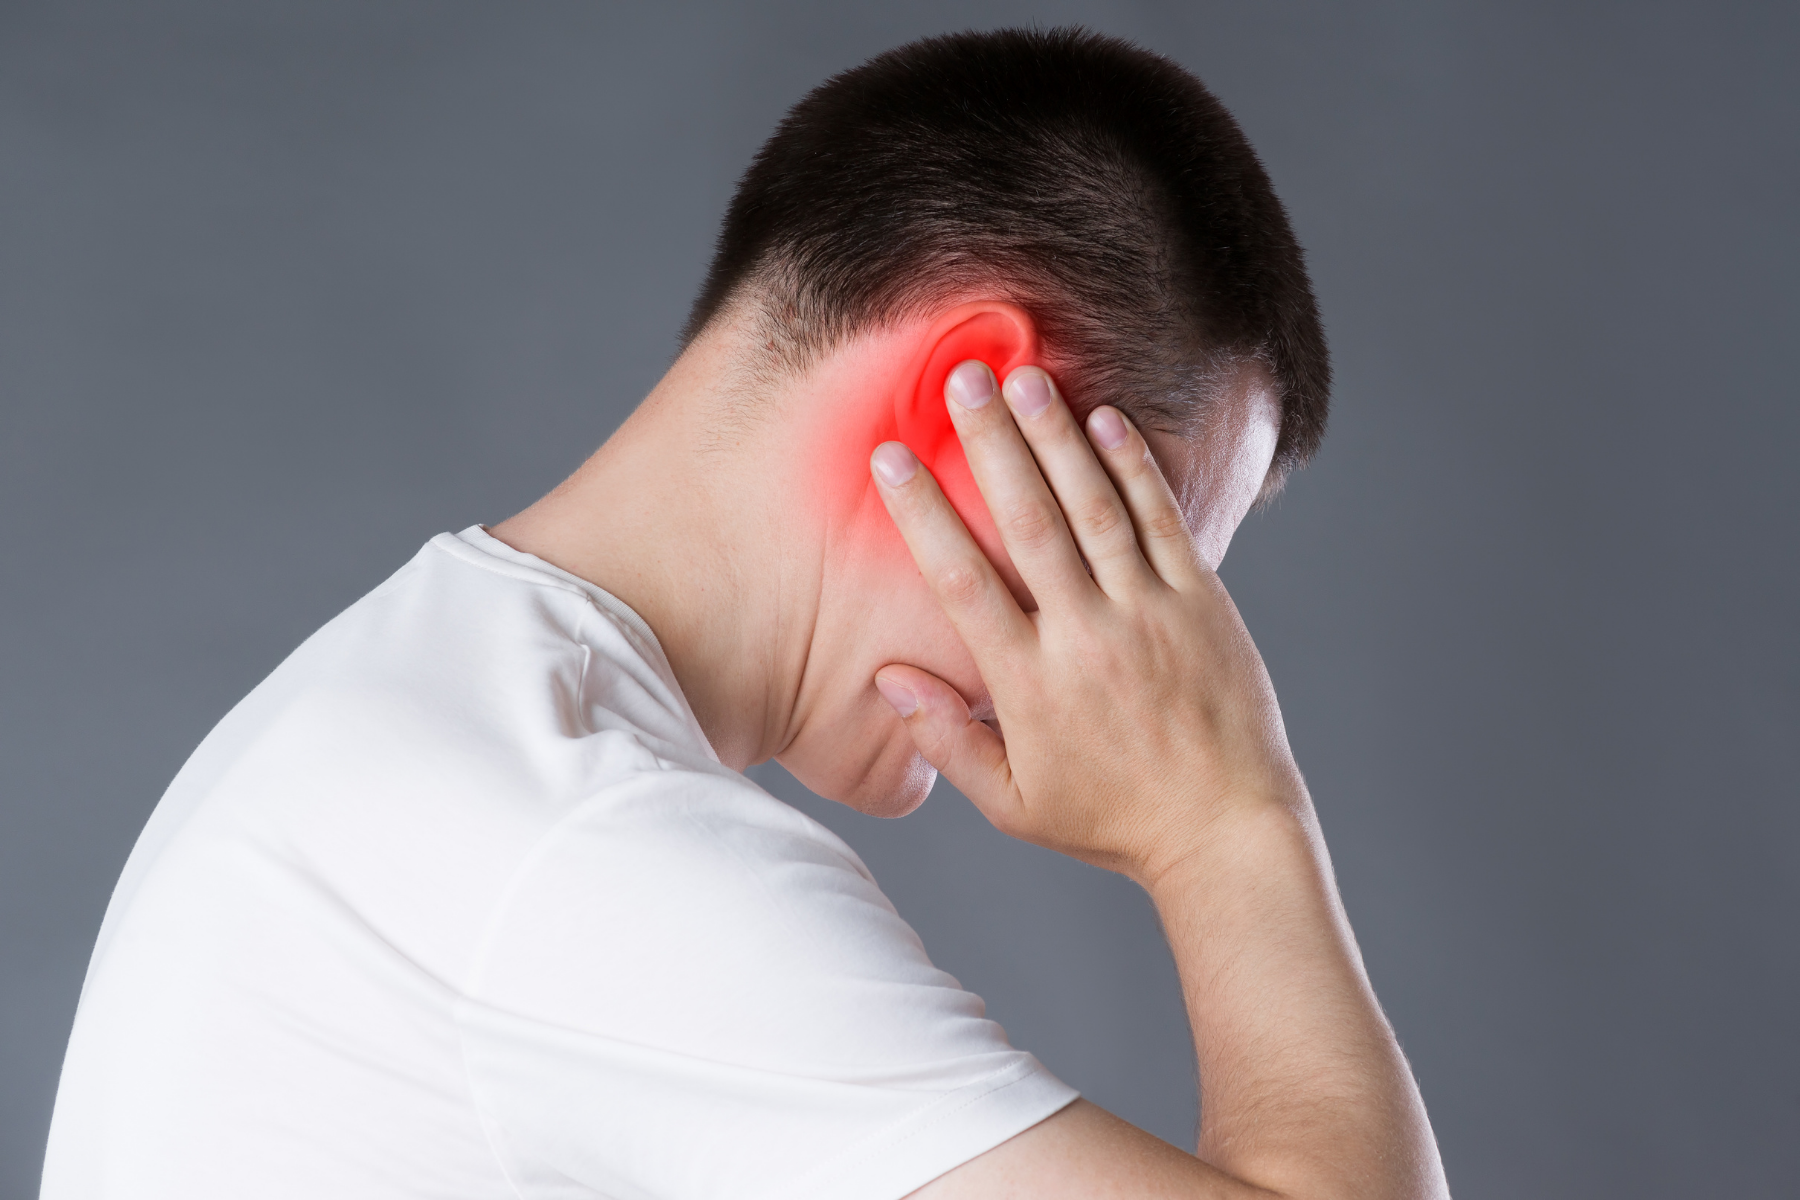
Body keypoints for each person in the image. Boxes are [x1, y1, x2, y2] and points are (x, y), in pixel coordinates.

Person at [42, 27, 1448, 1200]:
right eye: (1119, 574)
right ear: (969, 402)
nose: (1092, 687)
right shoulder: (573, 846)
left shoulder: (418, 722)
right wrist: (1230, 822)